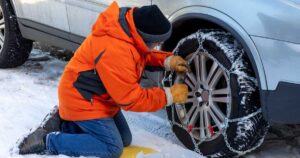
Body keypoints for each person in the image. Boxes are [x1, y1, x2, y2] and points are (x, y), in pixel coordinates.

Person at [19, 2, 189, 158]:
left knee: (125, 139)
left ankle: (65, 123)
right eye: (156, 42)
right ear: (143, 37)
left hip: (100, 98)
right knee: (112, 147)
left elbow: (140, 54)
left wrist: (166, 61)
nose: (157, 45)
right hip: (82, 99)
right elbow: (131, 99)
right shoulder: (115, 50)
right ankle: (48, 141)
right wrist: (169, 96)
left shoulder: (128, 29)